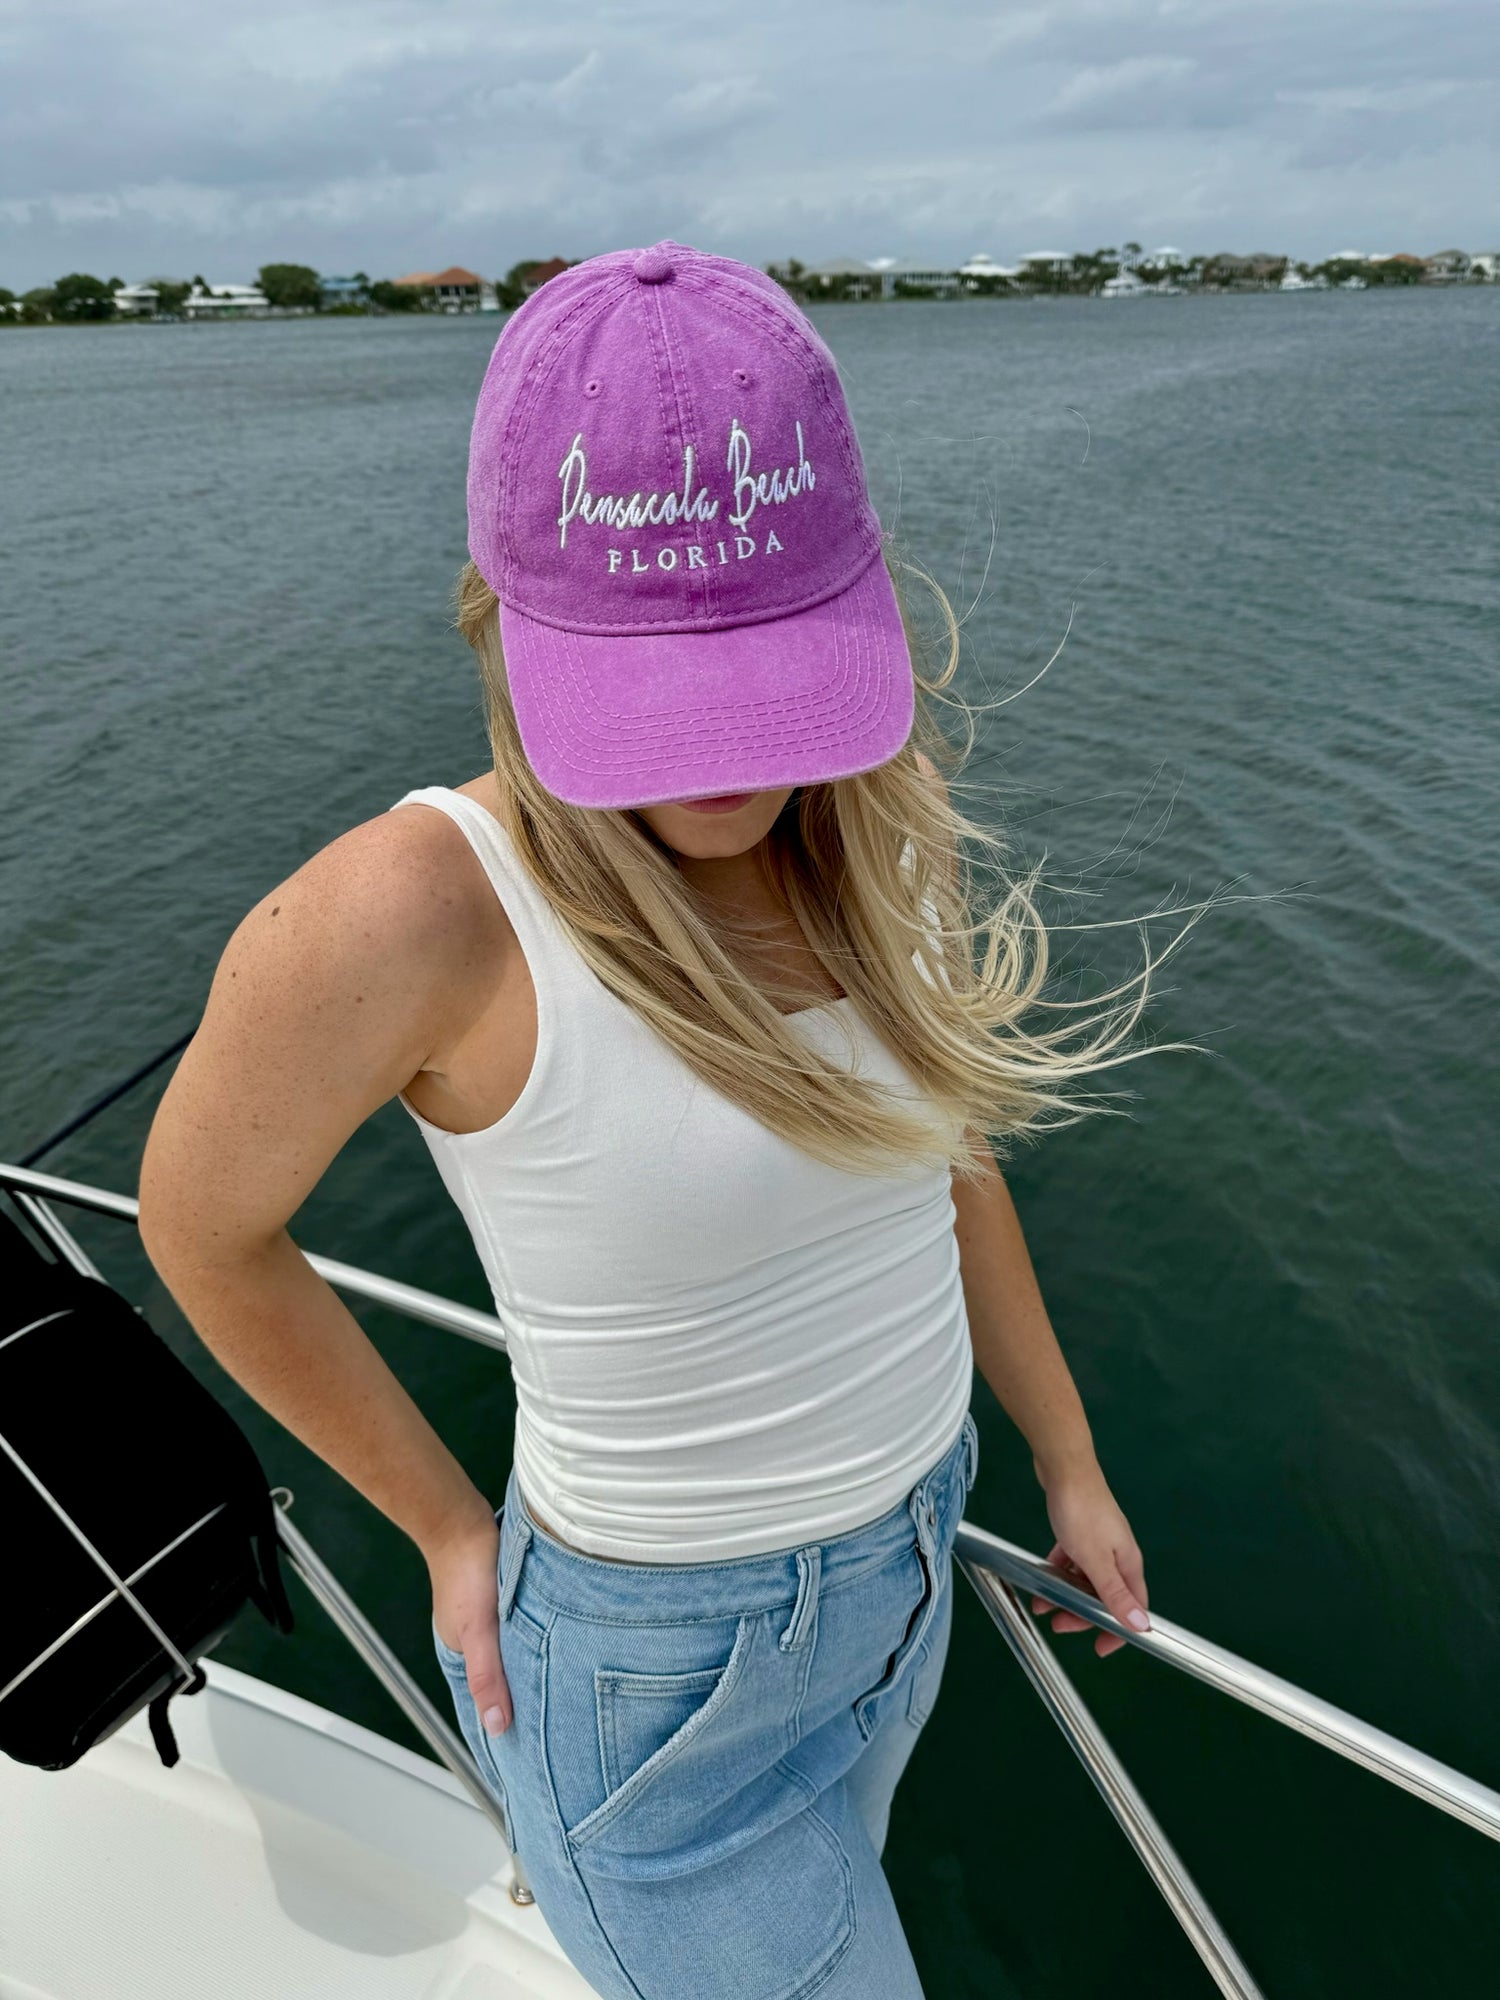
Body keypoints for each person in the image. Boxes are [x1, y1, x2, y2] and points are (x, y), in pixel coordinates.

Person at [140, 241, 1186, 2000]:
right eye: (652, 691)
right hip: (660, 1674)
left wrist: (1065, 1456)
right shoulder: (416, 910)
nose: (722, 763)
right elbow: (201, 1228)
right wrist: (449, 1526)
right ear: (497, 617)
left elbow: (949, 1173)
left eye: (770, 685)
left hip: (919, 1557)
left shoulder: (862, 839)